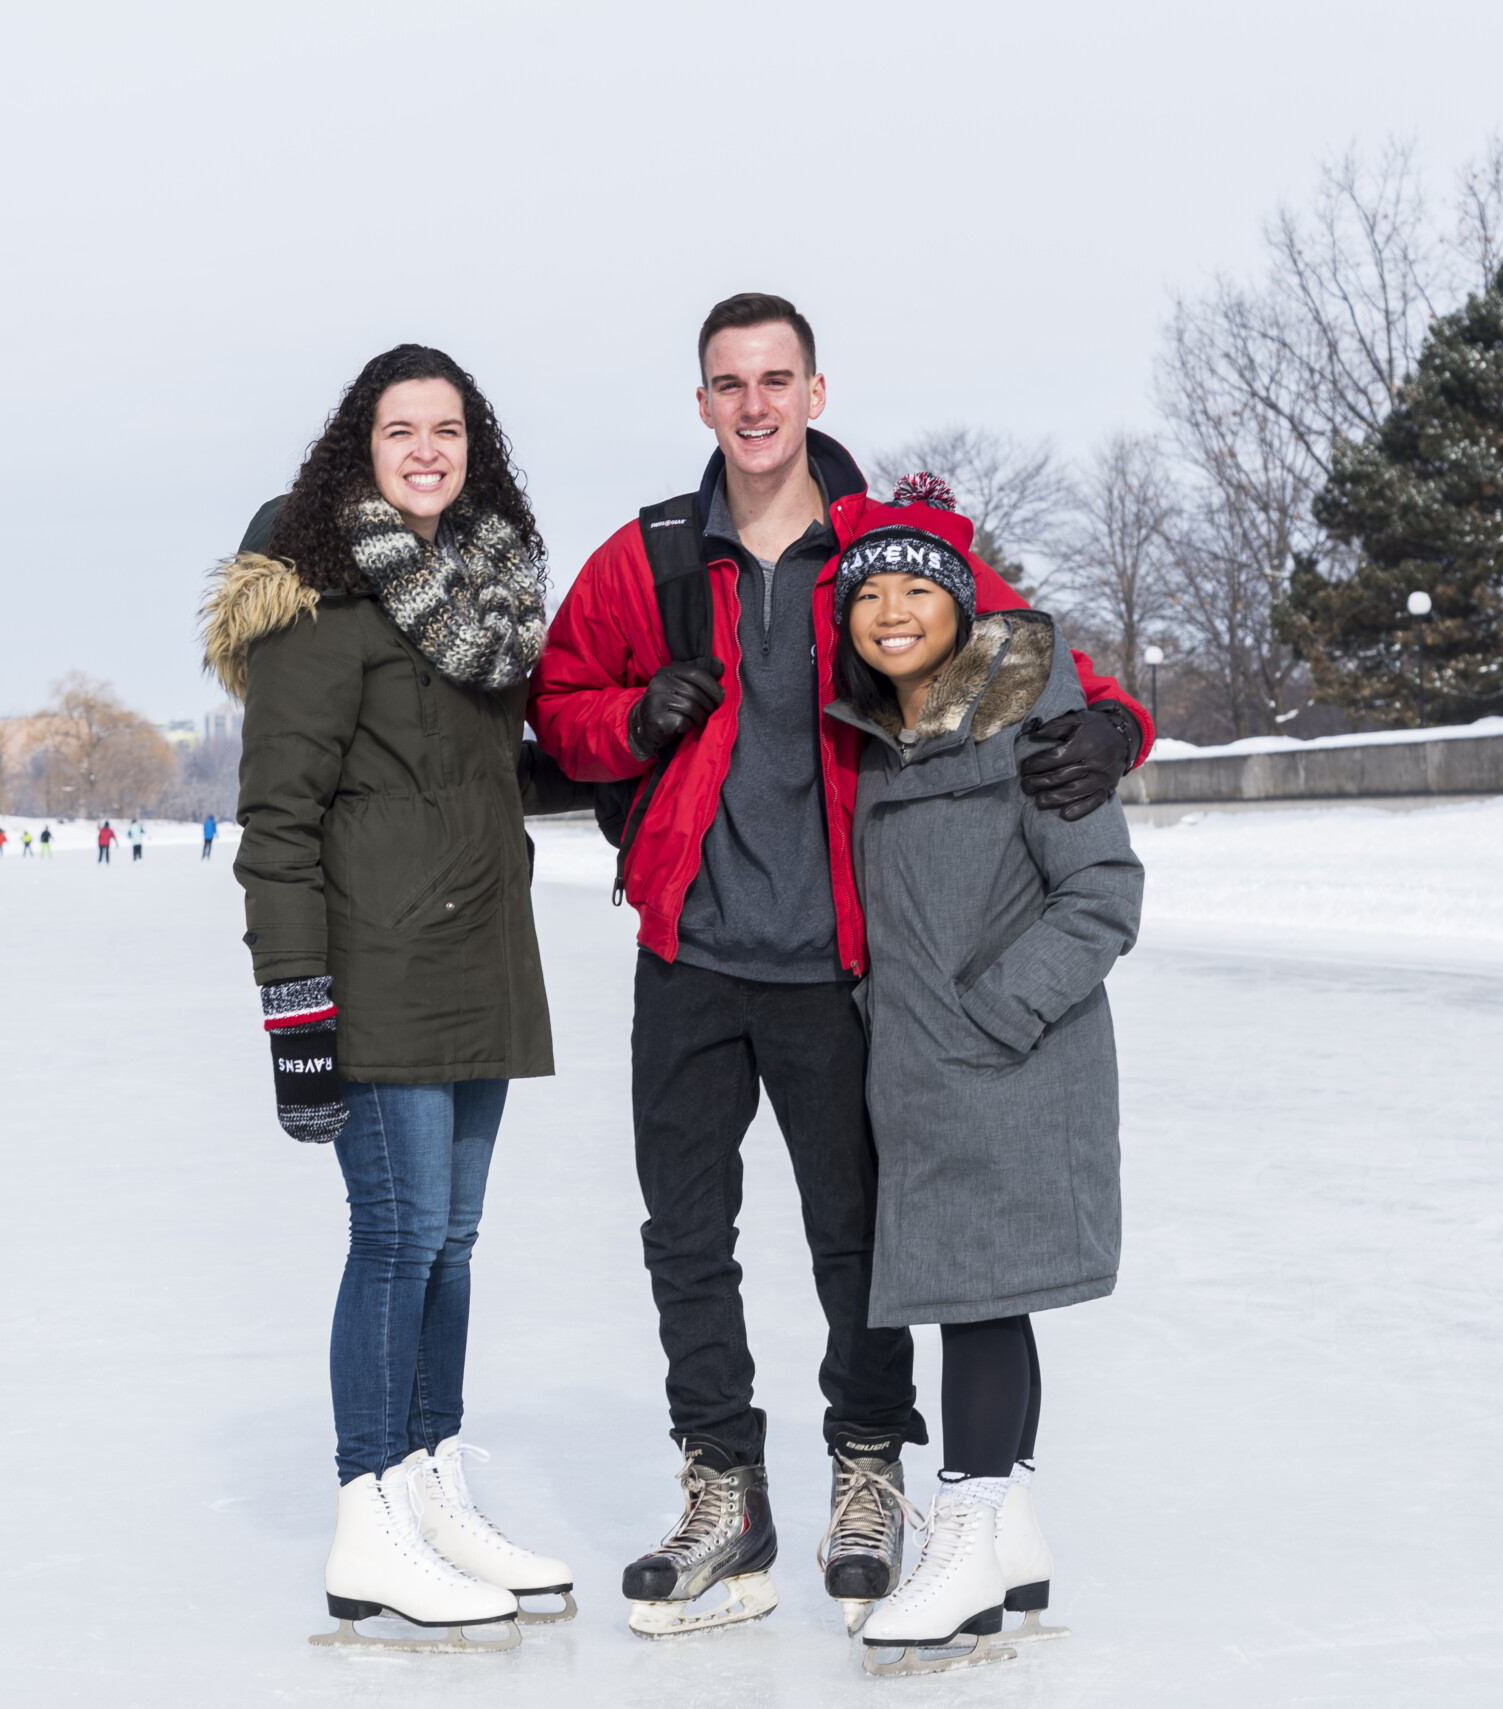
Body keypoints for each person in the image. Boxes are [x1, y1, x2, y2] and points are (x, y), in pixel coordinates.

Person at [528, 294, 1152, 1636]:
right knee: (684, 1235)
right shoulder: (646, 556)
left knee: (855, 1239)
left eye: (775, 379)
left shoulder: (880, 552)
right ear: (701, 403)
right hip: (689, 949)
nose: (752, 405)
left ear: (816, 390)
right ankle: (722, 1485)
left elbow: (1025, 658)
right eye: (726, 383)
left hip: (837, 959)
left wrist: (1120, 724)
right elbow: (560, 704)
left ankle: (869, 1465)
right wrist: (634, 716)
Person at [207, 343, 588, 1652]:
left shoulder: (478, 600)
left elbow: (480, 782)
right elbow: (277, 823)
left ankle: (433, 1482)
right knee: (398, 1232)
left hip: (479, 956)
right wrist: (294, 1010)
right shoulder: (321, 604)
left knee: (455, 1241)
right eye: (399, 430)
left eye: (447, 429)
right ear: (356, 450)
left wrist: (625, 751)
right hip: (374, 967)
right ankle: (369, 1513)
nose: (426, 449)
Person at [821, 525, 1141, 1672]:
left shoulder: (1033, 721)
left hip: (1011, 1057)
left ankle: (963, 1535)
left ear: (961, 607)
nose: (893, 609)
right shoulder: (876, 737)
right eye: (871, 592)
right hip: (923, 1064)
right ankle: (1008, 1530)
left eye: (919, 588)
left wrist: (993, 1014)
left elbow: (1103, 891)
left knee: (975, 1295)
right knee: (986, 1297)